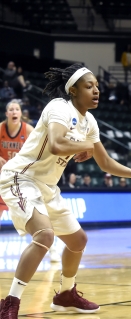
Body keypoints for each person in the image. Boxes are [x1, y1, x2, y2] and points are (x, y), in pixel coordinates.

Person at [0, 63, 131, 318]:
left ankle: (65, 294)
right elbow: (55, 144)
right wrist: (83, 145)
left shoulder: (90, 123)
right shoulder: (59, 107)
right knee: (44, 236)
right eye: (89, 86)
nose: (96, 90)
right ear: (73, 90)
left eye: (97, 86)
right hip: (21, 177)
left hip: (47, 187)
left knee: (78, 241)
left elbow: (105, 162)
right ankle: (10, 302)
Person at [0, 101, 61, 264]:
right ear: (7, 114)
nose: (14, 111)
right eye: (11, 109)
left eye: (17, 109)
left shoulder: (27, 130)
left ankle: (52, 249)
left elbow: (41, 146)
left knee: (35, 216)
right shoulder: (0, 129)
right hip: (4, 178)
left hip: (22, 178)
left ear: (21, 114)